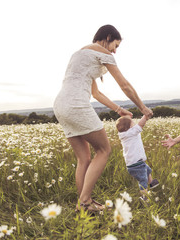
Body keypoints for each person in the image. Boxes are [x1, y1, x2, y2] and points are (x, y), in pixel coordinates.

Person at [53, 25, 153, 213]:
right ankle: (84, 202)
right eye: (116, 45)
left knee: (84, 158)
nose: (115, 50)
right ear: (107, 37)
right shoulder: (101, 52)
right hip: (76, 105)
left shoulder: (81, 54)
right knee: (104, 149)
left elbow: (96, 93)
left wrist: (118, 109)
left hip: (60, 105)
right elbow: (125, 85)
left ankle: (84, 203)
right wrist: (142, 107)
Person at [116, 115, 159, 201]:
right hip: (137, 164)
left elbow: (130, 123)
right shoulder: (131, 133)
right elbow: (141, 125)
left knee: (148, 170)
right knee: (143, 180)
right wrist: (145, 116)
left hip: (134, 163)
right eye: (132, 122)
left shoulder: (124, 134)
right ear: (130, 127)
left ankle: (152, 183)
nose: (134, 123)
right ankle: (144, 197)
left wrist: (126, 116)